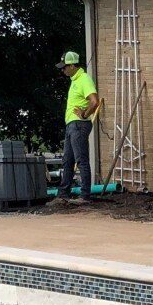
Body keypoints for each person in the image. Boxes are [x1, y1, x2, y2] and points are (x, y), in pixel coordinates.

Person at [57, 50, 98, 198]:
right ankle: (63, 195)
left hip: (79, 125)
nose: (63, 69)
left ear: (73, 65)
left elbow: (94, 101)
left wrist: (84, 114)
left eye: (65, 66)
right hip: (72, 125)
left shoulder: (84, 80)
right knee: (67, 160)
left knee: (81, 159)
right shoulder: (75, 80)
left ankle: (85, 195)